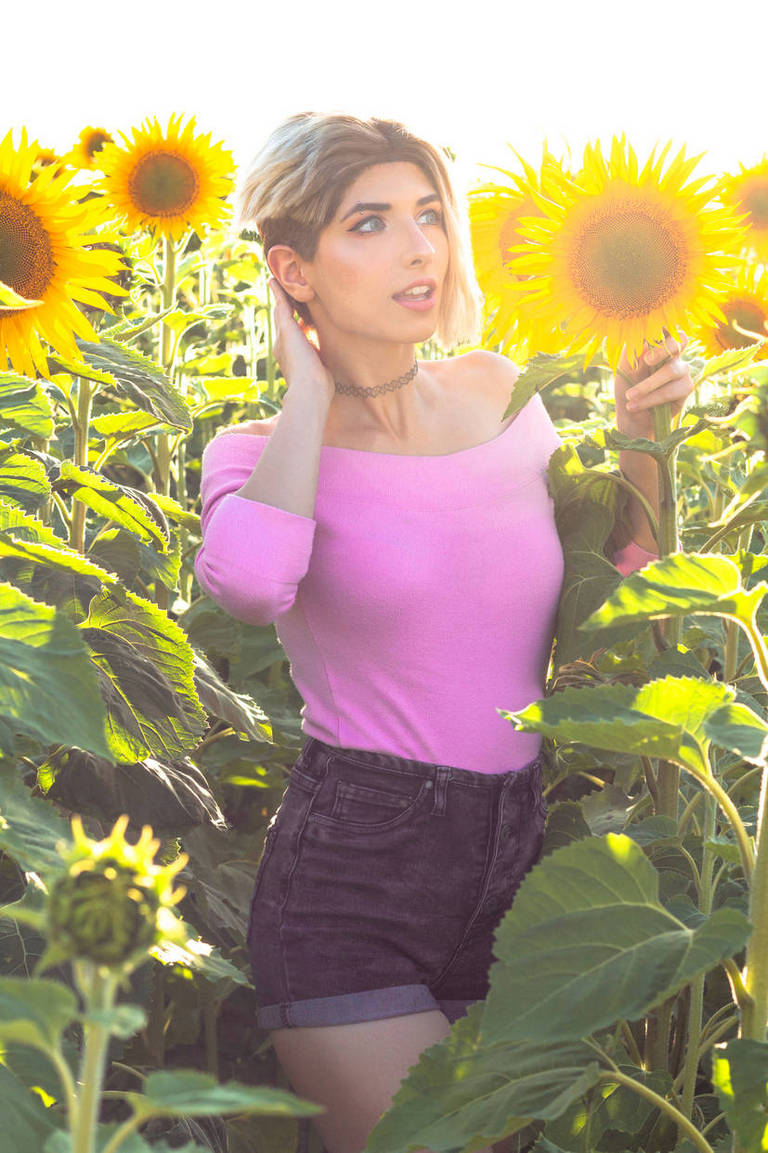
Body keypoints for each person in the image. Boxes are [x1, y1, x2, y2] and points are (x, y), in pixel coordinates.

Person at [194, 112, 695, 1153]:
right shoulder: (258, 453)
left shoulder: (502, 394)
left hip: (520, 869)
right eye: (370, 223)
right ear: (293, 270)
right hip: (353, 878)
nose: (420, 247)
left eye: (429, 214)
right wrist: (308, 394)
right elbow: (249, 585)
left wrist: (641, 433)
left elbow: (617, 587)